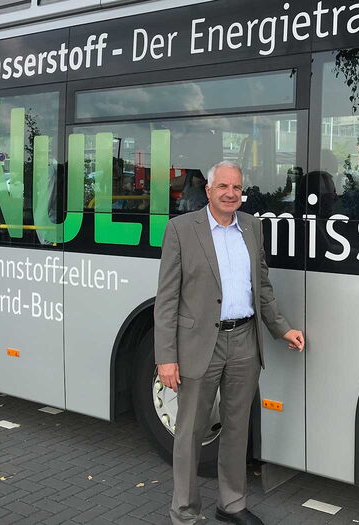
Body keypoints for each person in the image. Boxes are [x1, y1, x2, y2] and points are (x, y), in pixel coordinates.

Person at [154, 160, 305, 525]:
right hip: (199, 344)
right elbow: (167, 299)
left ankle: (231, 504)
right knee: (191, 430)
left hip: (244, 341)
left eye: (236, 188)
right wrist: (166, 358)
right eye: (223, 186)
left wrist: (281, 327)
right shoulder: (180, 230)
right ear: (208, 190)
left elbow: (262, 287)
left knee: (237, 429)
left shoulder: (252, 227)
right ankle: (184, 512)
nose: (230, 194)